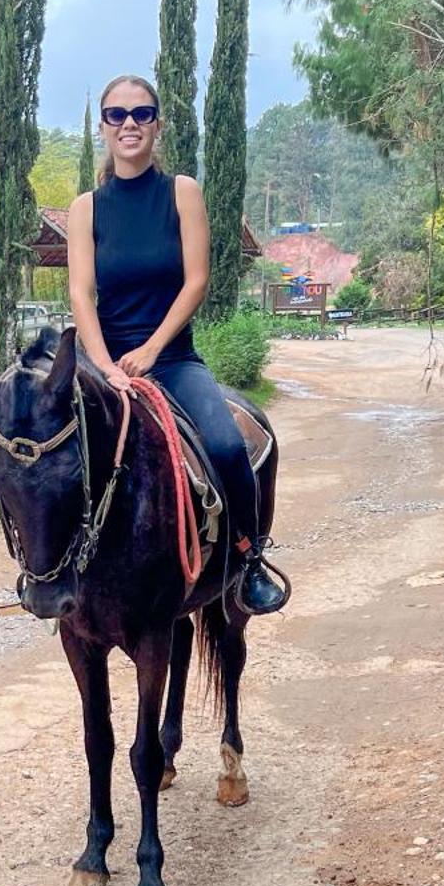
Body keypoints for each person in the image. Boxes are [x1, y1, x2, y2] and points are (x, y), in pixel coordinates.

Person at [64, 74, 287, 615]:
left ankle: (247, 559)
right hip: (104, 363)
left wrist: (151, 351)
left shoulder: (182, 192)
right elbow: (81, 292)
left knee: (228, 447)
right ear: (104, 128)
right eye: (117, 115)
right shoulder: (85, 209)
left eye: (141, 113)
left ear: (157, 124)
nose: (130, 124)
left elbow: (196, 281)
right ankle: (50, 571)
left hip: (172, 359)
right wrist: (105, 365)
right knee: (44, 453)